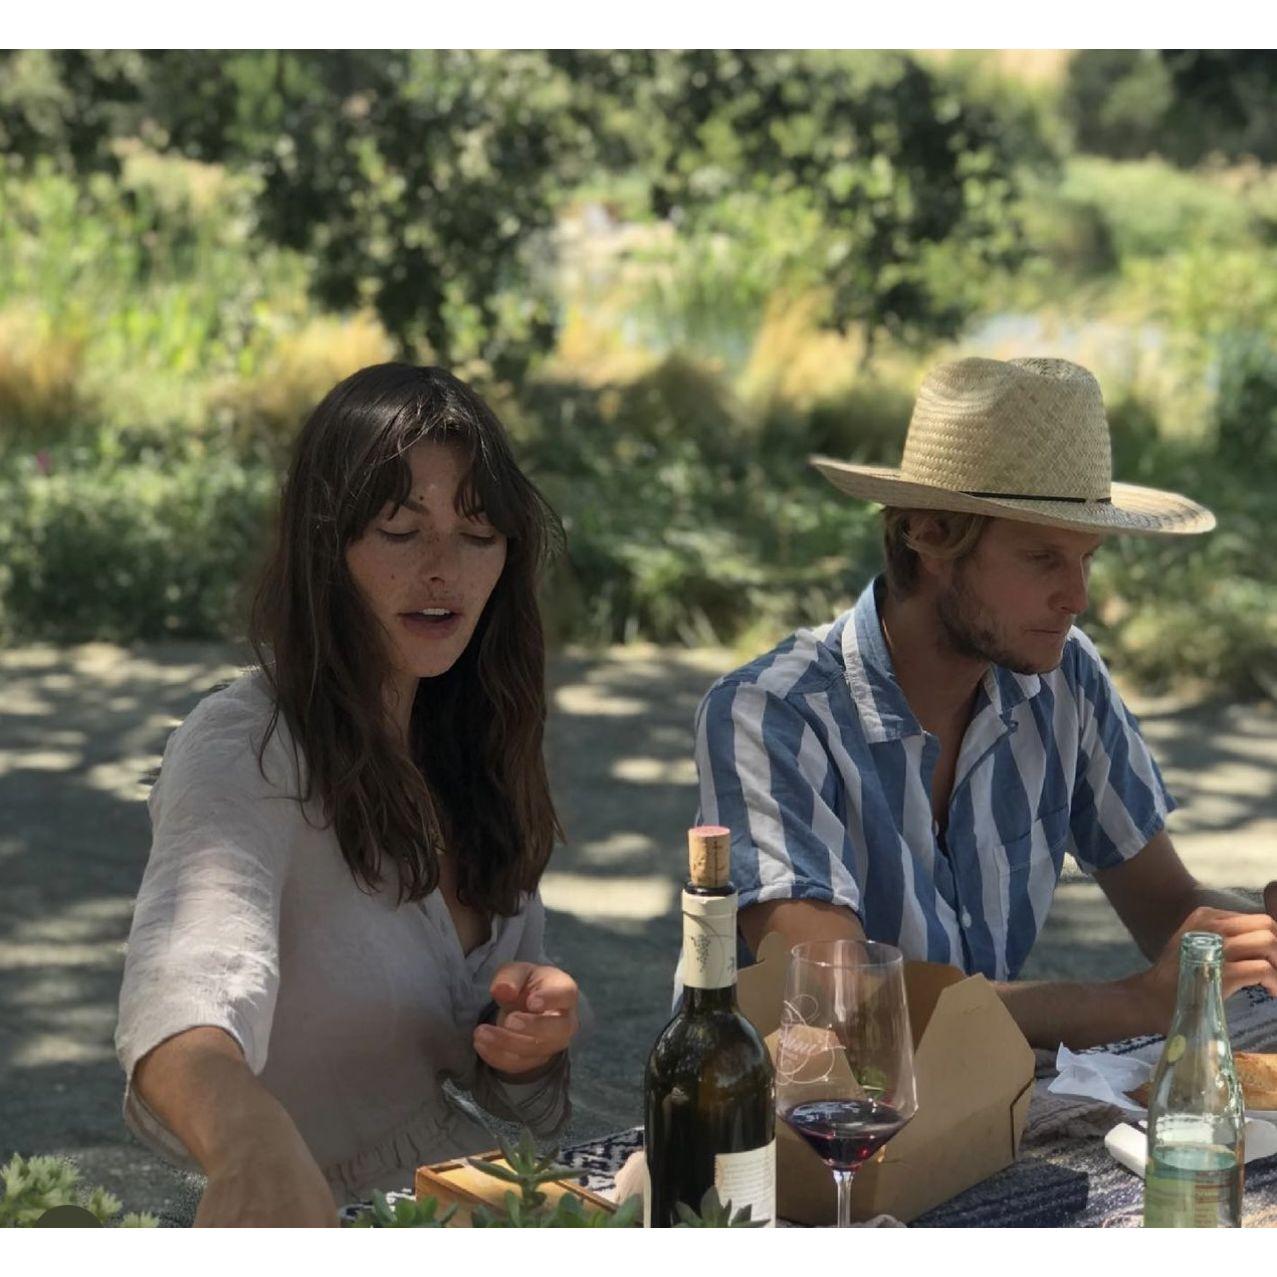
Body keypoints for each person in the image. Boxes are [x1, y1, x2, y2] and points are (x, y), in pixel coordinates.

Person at [693, 355, 1277, 1050]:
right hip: (777, 1132)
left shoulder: (1063, 677)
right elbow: (836, 996)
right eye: (1042, 559)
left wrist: (1251, 936)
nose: (1077, 597)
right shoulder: (771, 713)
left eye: (1086, 558)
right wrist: (1127, 1004)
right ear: (931, 534)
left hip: (967, 1106)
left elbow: (1166, 909)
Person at [115, 364, 582, 1226]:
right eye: (401, 530)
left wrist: (526, 1043)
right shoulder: (248, 744)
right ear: (325, 547)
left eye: (478, 532)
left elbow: (515, 1107)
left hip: (467, 1200)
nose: (444, 569)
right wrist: (247, 1137)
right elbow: (183, 992)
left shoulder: (479, 739)